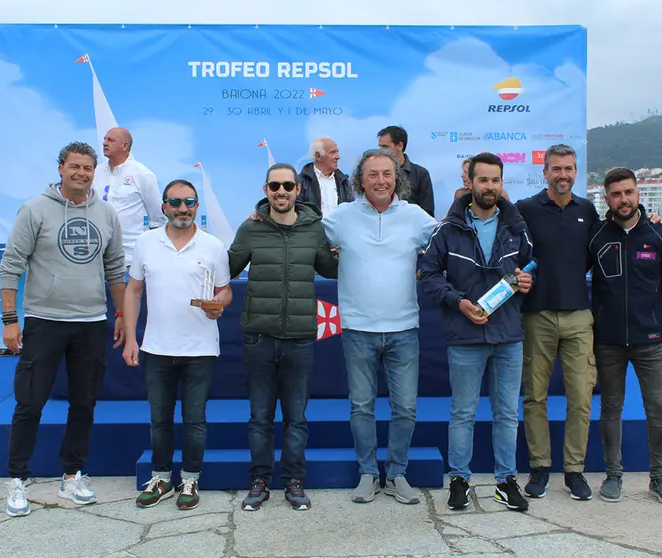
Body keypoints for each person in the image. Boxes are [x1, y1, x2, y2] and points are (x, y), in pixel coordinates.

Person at [0, 141, 126, 517]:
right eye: (74, 166)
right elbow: (10, 266)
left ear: (94, 172)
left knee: (84, 404)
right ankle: (18, 480)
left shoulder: (106, 213)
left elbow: (116, 268)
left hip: (90, 324)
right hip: (44, 321)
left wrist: (120, 315)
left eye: (88, 168)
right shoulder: (35, 209)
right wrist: (9, 321)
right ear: (60, 169)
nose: (81, 174)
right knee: (30, 403)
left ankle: (72, 475)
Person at [420, 152, 535, 512]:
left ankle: (506, 480)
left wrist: (530, 281)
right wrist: (459, 303)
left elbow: (532, 268)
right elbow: (430, 275)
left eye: (496, 180)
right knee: (463, 412)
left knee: (507, 413)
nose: (490, 187)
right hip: (465, 334)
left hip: (508, 335)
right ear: (469, 182)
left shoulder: (517, 227)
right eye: (483, 180)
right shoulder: (448, 228)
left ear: (502, 184)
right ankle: (459, 479)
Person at [323, 149, 438, 505]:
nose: (381, 181)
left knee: (405, 408)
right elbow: (299, 233)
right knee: (362, 407)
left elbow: (450, 243)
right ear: (360, 179)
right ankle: (369, 474)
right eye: (372, 174)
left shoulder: (416, 217)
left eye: (387, 174)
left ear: (397, 178)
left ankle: (397, 473)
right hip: (357, 328)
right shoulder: (339, 218)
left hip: (404, 328)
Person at [228, 163, 338, 511]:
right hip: (259, 338)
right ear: (266, 190)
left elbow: (330, 269)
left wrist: (348, 249)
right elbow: (225, 268)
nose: (281, 192)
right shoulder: (250, 229)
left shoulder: (315, 229)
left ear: (297, 191)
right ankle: (259, 482)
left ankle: (294, 483)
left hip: (301, 338)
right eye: (274, 186)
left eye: (287, 186)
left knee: (297, 418)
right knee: (260, 417)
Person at [123, 179, 232, 511]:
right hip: (156, 348)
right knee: (160, 419)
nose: (182, 209)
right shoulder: (145, 242)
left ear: (197, 206)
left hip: (200, 348)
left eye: (189, 202)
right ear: (164, 207)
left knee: (195, 419)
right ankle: (161, 478)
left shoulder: (213, 246)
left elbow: (226, 290)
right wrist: (131, 338)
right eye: (175, 202)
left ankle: (190, 479)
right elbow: (133, 291)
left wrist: (219, 303)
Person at [588, 167, 662, 506]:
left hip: (651, 338)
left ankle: (658, 478)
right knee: (611, 408)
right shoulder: (597, 236)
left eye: (628, 192)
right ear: (607, 198)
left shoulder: (660, 235)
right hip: (608, 340)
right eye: (616, 194)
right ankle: (613, 474)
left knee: (657, 408)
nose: (623, 199)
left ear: (638, 193)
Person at [514, 144, 599, 501]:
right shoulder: (525, 209)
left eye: (569, 169)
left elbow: (605, 248)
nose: (563, 175)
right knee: (535, 396)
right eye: (556, 169)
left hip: (579, 314)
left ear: (575, 172)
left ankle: (574, 471)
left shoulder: (588, 210)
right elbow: (509, 252)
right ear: (545, 172)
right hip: (538, 315)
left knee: (580, 397)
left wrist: (649, 218)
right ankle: (539, 467)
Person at [97, 127, 166, 266]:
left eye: (110, 140)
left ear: (125, 146)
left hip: (131, 259)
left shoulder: (142, 174)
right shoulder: (95, 172)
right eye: (104, 139)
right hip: (99, 257)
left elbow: (157, 218)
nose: (104, 143)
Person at [377, 126, 435, 217]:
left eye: (385, 147)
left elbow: (427, 213)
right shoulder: (374, 173)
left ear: (400, 146)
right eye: (380, 147)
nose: (380, 151)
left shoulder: (421, 174)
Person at [297, 137, 354, 215]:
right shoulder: (300, 182)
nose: (338, 157)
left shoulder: (344, 182)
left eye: (337, 152)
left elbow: (351, 212)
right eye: (333, 152)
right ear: (318, 156)